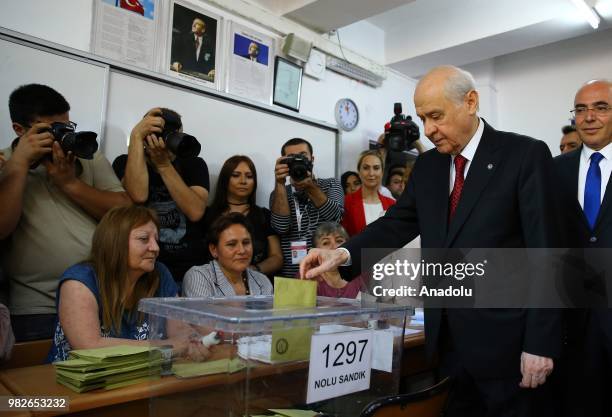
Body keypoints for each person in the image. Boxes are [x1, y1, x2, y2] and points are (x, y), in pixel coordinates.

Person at [300, 66, 561, 417]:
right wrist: (343, 254)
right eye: (422, 118)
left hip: (509, 347)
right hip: (449, 348)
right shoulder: (428, 167)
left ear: (470, 102)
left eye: (435, 116)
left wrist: (540, 344)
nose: (428, 130)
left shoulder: (523, 156)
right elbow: (396, 223)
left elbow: (547, 254)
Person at [0, 84, 130, 342]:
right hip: (38, 307)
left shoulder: (87, 157)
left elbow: (125, 213)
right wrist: (19, 166)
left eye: (66, 128)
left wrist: (70, 184)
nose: (61, 137)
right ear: (19, 129)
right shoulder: (5, 163)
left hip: (103, 297)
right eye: (49, 130)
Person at [47, 205, 210, 363]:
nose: (155, 248)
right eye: (144, 239)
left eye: (156, 239)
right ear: (115, 242)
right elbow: (89, 346)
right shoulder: (79, 281)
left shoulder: (160, 274)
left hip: (139, 379)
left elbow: (179, 331)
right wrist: (166, 346)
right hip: (76, 384)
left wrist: (193, 341)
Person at [553, 79, 612, 417]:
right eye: (581, 109)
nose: (589, 117)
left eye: (600, 107)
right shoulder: (553, 169)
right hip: (570, 323)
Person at [113, 108, 209, 283]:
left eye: (175, 133)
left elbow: (196, 211)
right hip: (141, 269)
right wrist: (136, 137)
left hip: (188, 271)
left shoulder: (194, 163)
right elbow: (138, 195)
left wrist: (164, 165)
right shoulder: (124, 162)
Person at [270, 138, 344, 277]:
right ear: (284, 163)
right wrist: (279, 183)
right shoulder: (278, 193)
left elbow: (335, 218)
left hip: (327, 273)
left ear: (312, 159)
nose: (298, 161)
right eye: (292, 158)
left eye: (303, 156)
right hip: (291, 277)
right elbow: (281, 227)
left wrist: (310, 186)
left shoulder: (331, 184)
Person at [202, 155, 282, 277]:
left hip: (258, 287)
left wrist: (253, 271)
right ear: (225, 179)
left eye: (249, 176)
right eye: (236, 175)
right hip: (214, 285)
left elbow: (277, 257)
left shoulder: (264, 215)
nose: (243, 181)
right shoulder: (208, 214)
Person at [183, 213, 273, 297]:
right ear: (214, 250)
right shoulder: (199, 276)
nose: (242, 250)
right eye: (232, 244)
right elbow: (204, 314)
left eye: (246, 243)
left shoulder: (262, 281)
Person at [342, 150, 396, 236]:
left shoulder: (392, 204)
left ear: (382, 172)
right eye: (366, 168)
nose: (371, 173)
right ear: (359, 172)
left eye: (376, 168)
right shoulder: (346, 202)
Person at [312, 222, 363, 299]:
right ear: (315, 250)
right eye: (326, 243)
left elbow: (373, 308)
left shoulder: (362, 274)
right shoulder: (307, 276)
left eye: (339, 241)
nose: (334, 247)